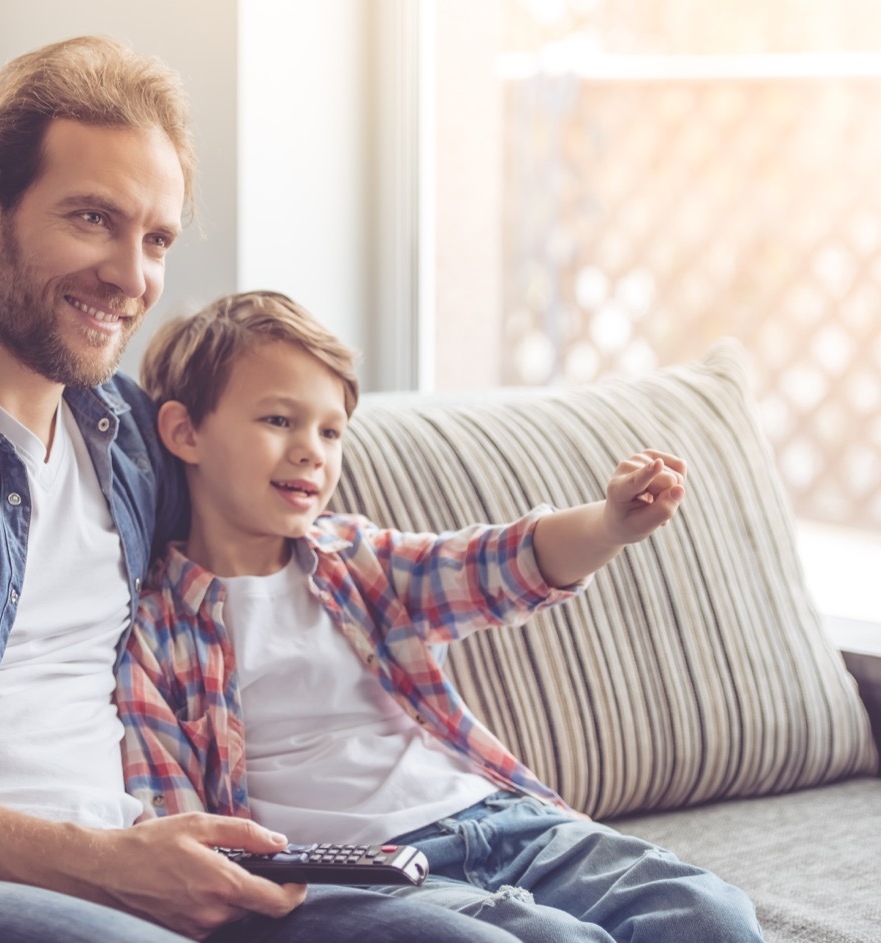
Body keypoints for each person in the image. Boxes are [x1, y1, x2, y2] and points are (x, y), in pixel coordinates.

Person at [0, 37, 525, 943]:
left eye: (155, 237)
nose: (133, 278)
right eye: (92, 219)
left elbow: (261, 557)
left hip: (139, 866)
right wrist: (101, 862)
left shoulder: (130, 438)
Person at [117, 290, 767, 943]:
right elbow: (180, 834)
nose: (313, 450)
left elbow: (494, 565)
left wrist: (608, 523)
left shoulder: (357, 559)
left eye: (330, 429)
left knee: (709, 915)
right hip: (365, 876)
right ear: (185, 431)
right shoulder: (152, 631)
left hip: (503, 820)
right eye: (280, 420)